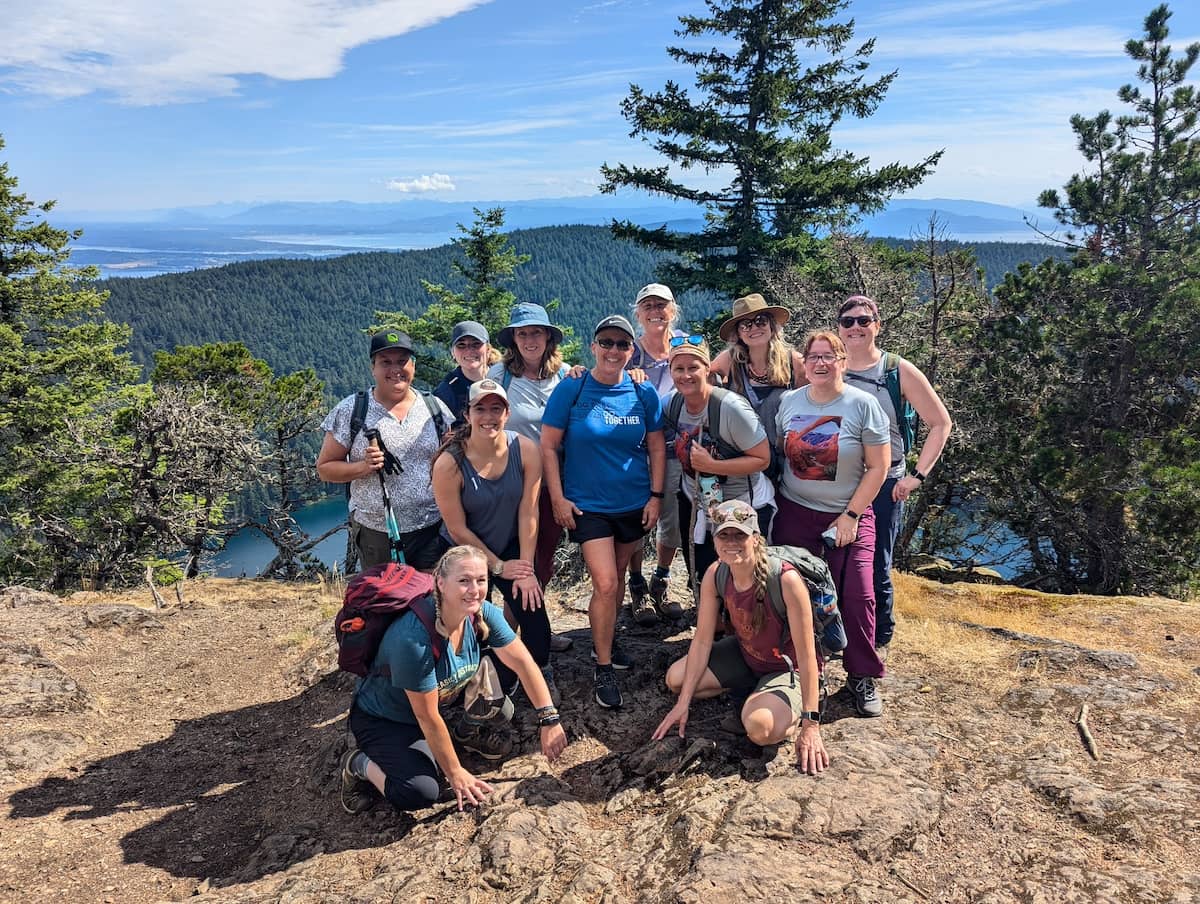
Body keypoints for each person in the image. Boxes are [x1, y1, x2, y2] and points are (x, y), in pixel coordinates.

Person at [339, 545, 567, 814]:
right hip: (388, 718)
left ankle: (464, 734)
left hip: (439, 700)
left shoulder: (481, 613)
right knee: (419, 791)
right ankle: (357, 763)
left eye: (481, 580)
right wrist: (456, 772)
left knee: (502, 690)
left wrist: (549, 719)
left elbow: (523, 662)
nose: (474, 590)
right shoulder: (413, 640)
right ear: (440, 583)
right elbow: (427, 717)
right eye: (464, 581)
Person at [540, 315, 665, 710]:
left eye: (622, 344)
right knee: (607, 583)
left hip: (632, 502)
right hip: (588, 505)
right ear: (593, 346)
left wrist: (656, 496)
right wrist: (558, 499)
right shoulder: (573, 388)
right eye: (606, 342)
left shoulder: (642, 391)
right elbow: (548, 446)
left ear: (632, 351)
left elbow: (658, 447)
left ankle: (605, 643)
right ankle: (604, 666)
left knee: (619, 580)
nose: (614, 350)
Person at [652, 500, 828, 775]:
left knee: (759, 727)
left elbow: (807, 656)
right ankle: (757, 690)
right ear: (714, 539)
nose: (731, 542)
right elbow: (701, 640)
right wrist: (683, 704)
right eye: (724, 535)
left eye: (740, 535)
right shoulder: (716, 574)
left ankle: (787, 704)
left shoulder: (785, 580)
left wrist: (811, 725)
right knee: (676, 680)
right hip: (747, 655)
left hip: (786, 667)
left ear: (755, 539)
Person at [772, 331, 890, 717]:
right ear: (803, 364)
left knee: (858, 595)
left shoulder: (863, 404)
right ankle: (806, 669)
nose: (820, 363)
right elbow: (781, 452)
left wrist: (851, 515)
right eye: (813, 357)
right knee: (796, 595)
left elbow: (879, 466)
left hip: (850, 513)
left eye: (829, 356)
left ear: (843, 361)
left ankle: (861, 674)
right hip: (795, 512)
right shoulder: (790, 401)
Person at [838, 296, 952, 654]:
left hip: (886, 482)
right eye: (848, 321)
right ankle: (840, 630)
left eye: (863, 320)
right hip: (838, 480)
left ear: (877, 324)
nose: (856, 327)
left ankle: (878, 636)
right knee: (838, 559)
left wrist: (917, 476)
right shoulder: (830, 367)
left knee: (875, 563)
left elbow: (940, 423)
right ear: (839, 327)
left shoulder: (896, 370)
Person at [431, 378, 554, 699]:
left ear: (507, 412)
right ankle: (477, 682)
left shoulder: (525, 450)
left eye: (496, 408)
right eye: (480, 408)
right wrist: (497, 568)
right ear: (467, 413)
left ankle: (533, 674)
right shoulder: (449, 464)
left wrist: (525, 569)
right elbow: (457, 529)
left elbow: (529, 512)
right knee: (475, 625)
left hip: (511, 544)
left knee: (536, 623)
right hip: (463, 553)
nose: (489, 416)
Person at [317, 330, 453, 571]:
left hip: (430, 529)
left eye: (402, 361)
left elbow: (450, 462)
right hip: (377, 533)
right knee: (385, 603)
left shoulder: (434, 408)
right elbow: (325, 469)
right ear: (373, 368)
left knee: (431, 603)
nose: (395, 369)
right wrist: (362, 467)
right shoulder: (352, 410)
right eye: (386, 362)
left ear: (413, 365)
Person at [662, 337, 771, 595]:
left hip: (741, 503)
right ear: (670, 371)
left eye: (693, 367)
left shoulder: (731, 409)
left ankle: (744, 627)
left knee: (744, 575)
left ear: (707, 368)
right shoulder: (672, 404)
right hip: (696, 501)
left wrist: (712, 464)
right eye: (679, 368)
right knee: (703, 573)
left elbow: (762, 459)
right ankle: (712, 625)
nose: (686, 375)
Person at [486, 303, 571, 592]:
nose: (529, 340)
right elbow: (482, 421)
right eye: (522, 334)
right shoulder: (499, 377)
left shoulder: (566, 376)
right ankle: (509, 629)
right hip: (511, 484)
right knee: (513, 556)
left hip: (552, 485)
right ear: (513, 340)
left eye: (536, 332)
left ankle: (535, 625)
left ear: (548, 337)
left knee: (543, 558)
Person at [626, 283, 687, 624]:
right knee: (637, 520)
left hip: (676, 451)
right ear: (638, 313)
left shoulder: (684, 344)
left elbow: (708, 370)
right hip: (637, 452)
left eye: (661, 305)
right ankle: (636, 583)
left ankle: (661, 579)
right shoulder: (629, 352)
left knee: (672, 521)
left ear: (672, 309)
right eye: (647, 305)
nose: (655, 311)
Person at [710, 293, 806, 453]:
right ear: (738, 333)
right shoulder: (729, 360)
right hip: (742, 459)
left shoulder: (793, 361)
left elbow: (811, 402)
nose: (754, 328)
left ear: (771, 325)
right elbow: (701, 376)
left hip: (784, 456)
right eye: (745, 325)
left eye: (761, 321)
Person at [433, 320, 493, 428]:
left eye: (476, 344)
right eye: (461, 345)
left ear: (488, 349)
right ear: (453, 352)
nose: (469, 350)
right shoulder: (446, 392)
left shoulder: (504, 378)